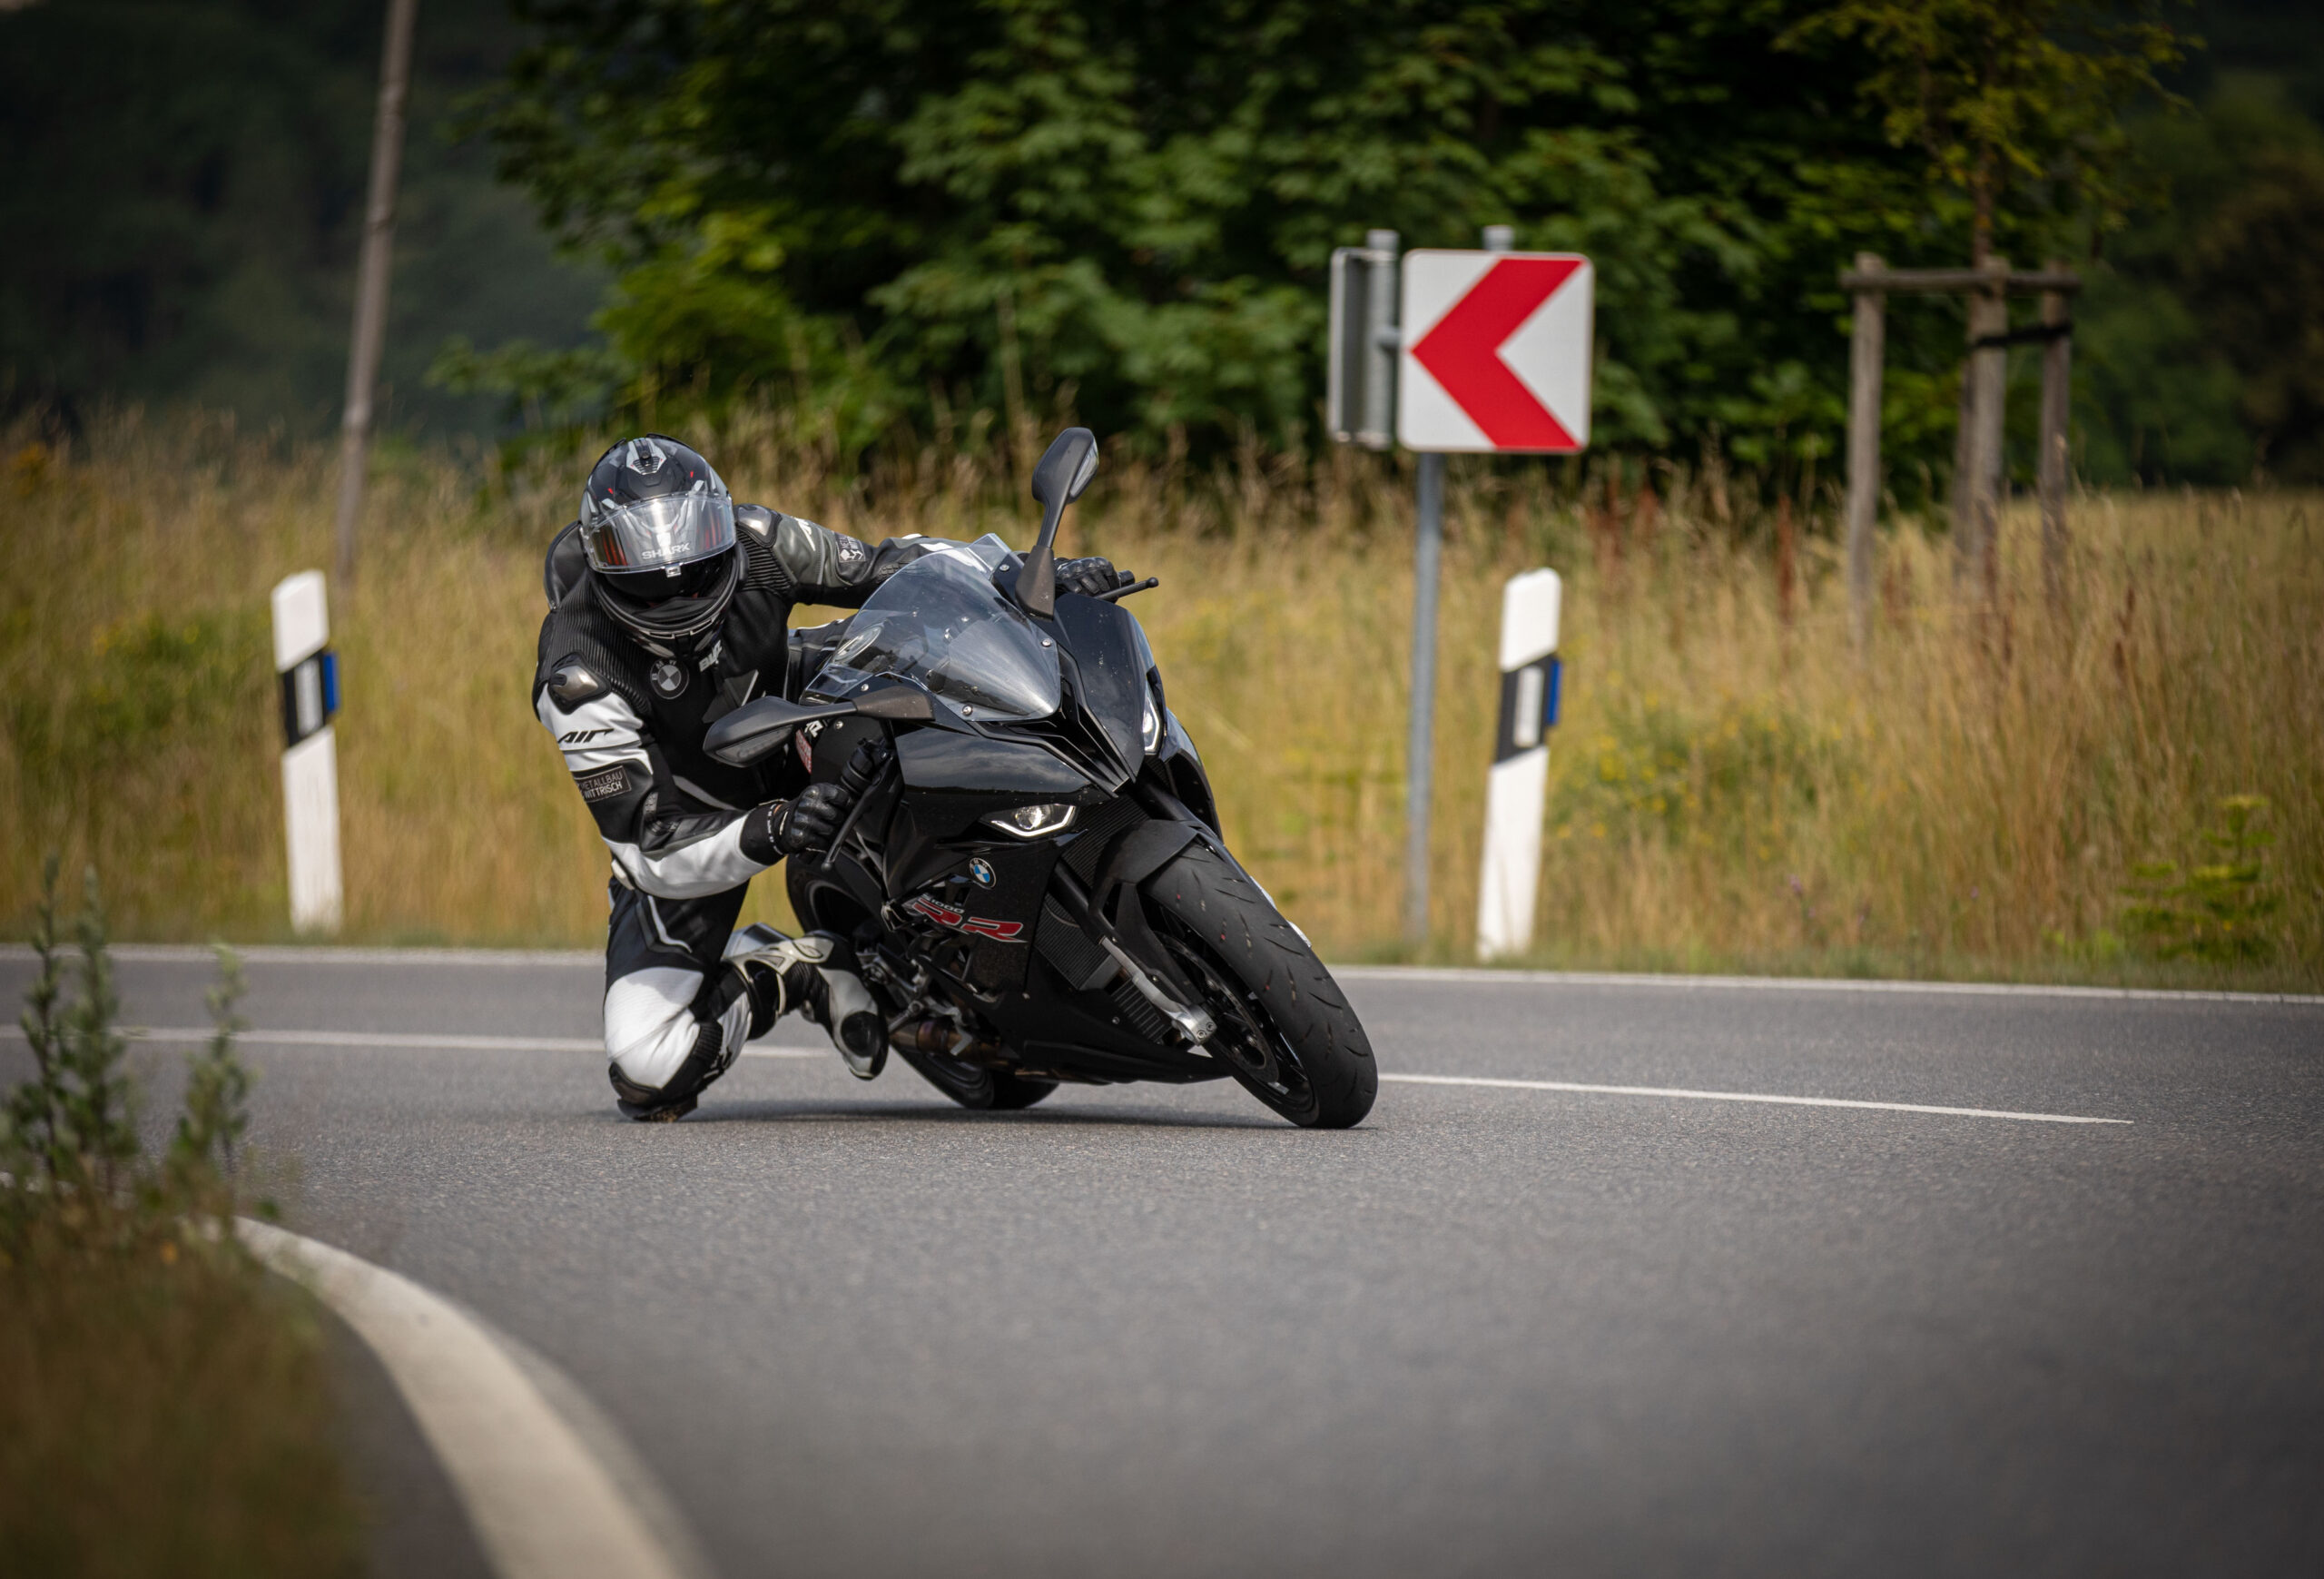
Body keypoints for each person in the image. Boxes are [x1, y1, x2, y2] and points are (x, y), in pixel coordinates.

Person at [534, 435, 1128, 1120]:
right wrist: (773, 826)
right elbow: (650, 847)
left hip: (804, 707)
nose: (675, 584)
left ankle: (1002, 884)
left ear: (721, 527)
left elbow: (891, 564)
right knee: (646, 1068)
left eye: (696, 562)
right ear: (600, 563)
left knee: (934, 670)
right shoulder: (577, 676)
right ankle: (791, 971)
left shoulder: (758, 539)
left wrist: (1028, 571)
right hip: (698, 821)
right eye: (645, 575)